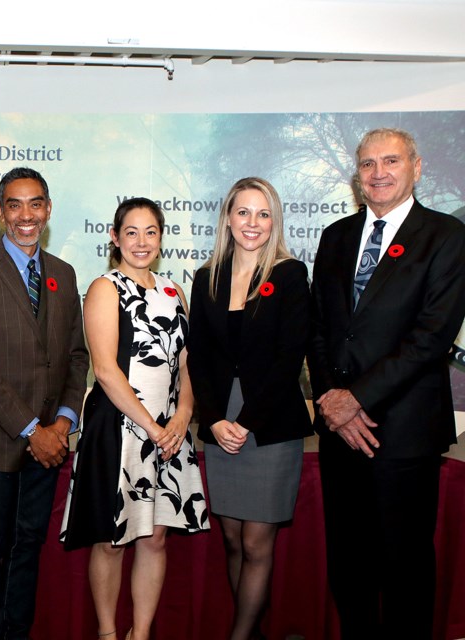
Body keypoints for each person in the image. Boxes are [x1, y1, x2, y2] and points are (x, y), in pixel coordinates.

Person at [308, 128, 465, 639]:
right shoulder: (335, 236)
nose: (379, 173)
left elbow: (431, 336)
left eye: (391, 161)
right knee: (349, 566)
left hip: (404, 433)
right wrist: (333, 401)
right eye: (369, 163)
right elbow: (320, 328)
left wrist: (356, 400)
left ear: (416, 167)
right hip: (339, 432)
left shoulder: (446, 237)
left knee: (404, 567)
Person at [0, 167, 89, 640]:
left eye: (35, 204)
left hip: (52, 442)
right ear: (0, 211)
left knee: (29, 545)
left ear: (48, 210)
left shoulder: (64, 275)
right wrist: (34, 430)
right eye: (15, 204)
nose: (25, 215)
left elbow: (75, 356)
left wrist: (64, 423)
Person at [61, 197, 208, 640]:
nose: (141, 242)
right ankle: (108, 633)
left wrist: (182, 416)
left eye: (150, 232)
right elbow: (105, 369)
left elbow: (187, 365)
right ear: (114, 237)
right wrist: (152, 426)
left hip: (169, 431)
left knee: (155, 537)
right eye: (131, 232)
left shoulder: (173, 290)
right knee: (112, 538)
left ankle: (140, 633)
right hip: (122, 429)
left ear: (161, 238)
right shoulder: (106, 287)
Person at [187, 178, 311, 639]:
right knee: (233, 538)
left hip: (269, 423)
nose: (252, 223)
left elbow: (288, 359)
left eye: (263, 214)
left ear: (274, 221)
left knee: (258, 541)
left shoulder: (290, 274)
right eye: (243, 213)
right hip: (220, 421)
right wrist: (216, 420)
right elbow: (198, 355)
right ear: (228, 219)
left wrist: (244, 423)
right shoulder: (207, 277)